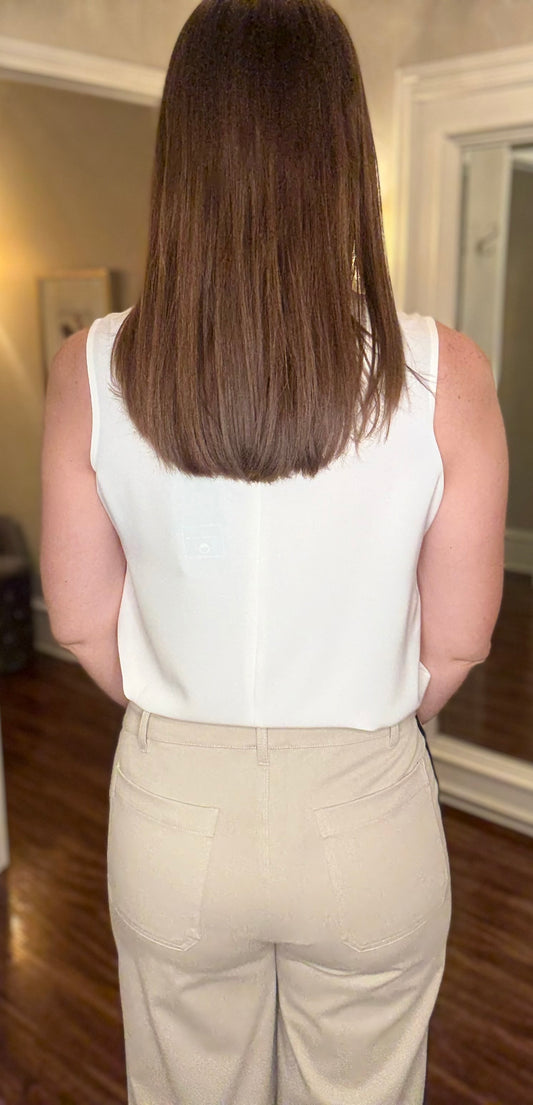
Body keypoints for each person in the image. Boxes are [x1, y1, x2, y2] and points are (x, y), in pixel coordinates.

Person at [40, 1, 509, 1102]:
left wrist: (193, 731)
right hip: (366, 803)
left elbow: (82, 625)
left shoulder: (90, 367)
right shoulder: (446, 370)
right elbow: (458, 641)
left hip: (173, 810)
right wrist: (351, 734)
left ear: (183, 154)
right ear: (345, 154)